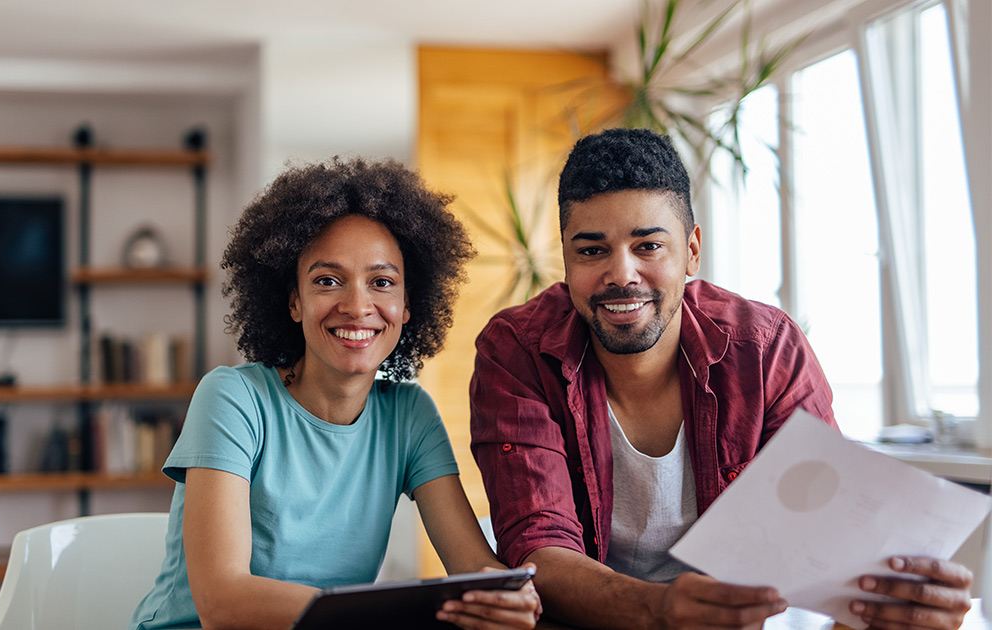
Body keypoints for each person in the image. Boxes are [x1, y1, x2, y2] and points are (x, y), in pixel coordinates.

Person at [469, 128, 975, 630]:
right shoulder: (517, 350)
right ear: (565, 256)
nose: (621, 274)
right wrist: (661, 611)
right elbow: (539, 551)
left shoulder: (766, 349)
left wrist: (895, 607)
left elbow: (829, 540)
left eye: (648, 246)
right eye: (592, 251)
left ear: (691, 251)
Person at [130, 157, 542, 630]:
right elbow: (223, 602)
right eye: (327, 281)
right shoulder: (232, 398)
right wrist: (386, 616)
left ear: (407, 305)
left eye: (382, 283)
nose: (357, 306)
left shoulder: (408, 415)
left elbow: (472, 564)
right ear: (294, 300)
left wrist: (504, 593)